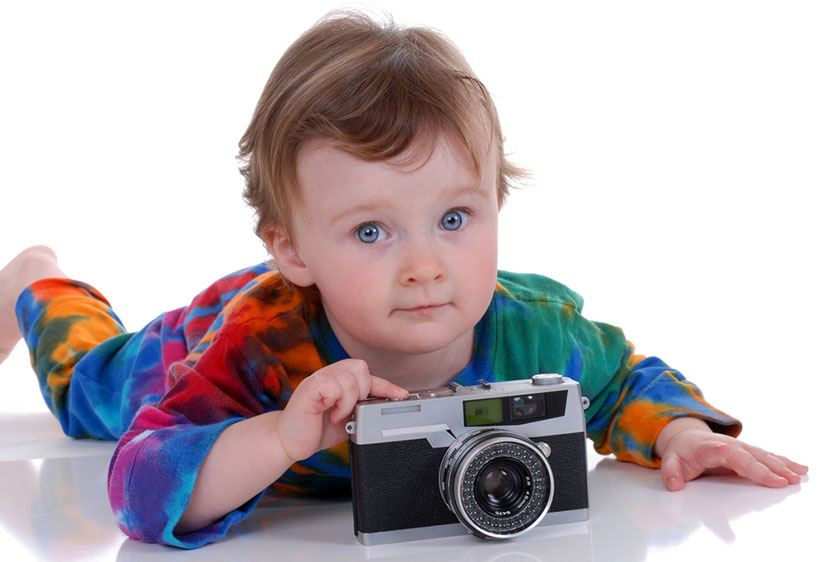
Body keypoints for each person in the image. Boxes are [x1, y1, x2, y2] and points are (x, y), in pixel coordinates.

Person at [0, 11, 807, 550]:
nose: (424, 265)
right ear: (294, 247)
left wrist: (682, 435)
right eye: (372, 231)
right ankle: (36, 282)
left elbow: (625, 379)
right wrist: (279, 436)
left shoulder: (532, 328)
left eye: (455, 219)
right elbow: (140, 492)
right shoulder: (258, 350)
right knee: (86, 392)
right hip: (205, 332)